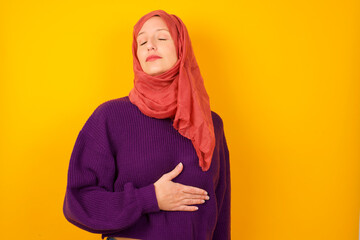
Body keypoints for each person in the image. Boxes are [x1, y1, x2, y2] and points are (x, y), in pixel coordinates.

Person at [63, 9, 231, 240]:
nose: (150, 46)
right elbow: (79, 202)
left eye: (162, 38)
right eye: (142, 42)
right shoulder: (109, 118)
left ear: (182, 48)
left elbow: (219, 212)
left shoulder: (210, 123)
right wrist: (150, 198)